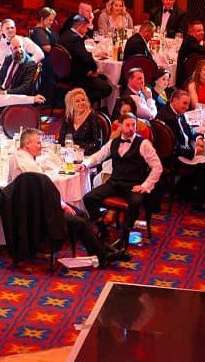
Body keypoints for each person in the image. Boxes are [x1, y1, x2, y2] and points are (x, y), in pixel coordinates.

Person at [9, 128, 128, 266]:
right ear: (28, 144)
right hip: (37, 211)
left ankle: (100, 250)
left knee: (82, 214)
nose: (41, 146)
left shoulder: (16, 156)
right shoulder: (30, 167)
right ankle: (102, 255)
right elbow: (46, 193)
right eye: (38, 143)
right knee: (80, 220)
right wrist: (63, 205)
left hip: (35, 204)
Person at [79, 114, 163, 241]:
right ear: (120, 126)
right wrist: (85, 164)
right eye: (127, 125)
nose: (131, 128)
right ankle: (103, 230)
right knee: (88, 198)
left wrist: (145, 186)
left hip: (133, 185)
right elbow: (98, 156)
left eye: (133, 125)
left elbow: (157, 167)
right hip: (115, 183)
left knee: (135, 202)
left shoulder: (143, 144)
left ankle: (124, 237)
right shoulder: (113, 142)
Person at [58, 15, 113, 103]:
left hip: (62, 73)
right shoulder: (76, 39)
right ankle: (80, 101)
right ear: (80, 27)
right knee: (107, 88)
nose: (87, 31)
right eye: (86, 28)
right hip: (76, 77)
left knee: (102, 78)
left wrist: (94, 54)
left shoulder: (64, 35)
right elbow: (86, 59)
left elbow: (78, 54)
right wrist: (94, 70)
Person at [59, 88, 105, 153]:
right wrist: (70, 147)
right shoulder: (68, 118)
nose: (81, 103)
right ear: (71, 104)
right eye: (77, 101)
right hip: (70, 153)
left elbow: (98, 144)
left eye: (83, 100)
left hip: (88, 155)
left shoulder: (93, 117)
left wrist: (79, 148)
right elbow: (61, 139)